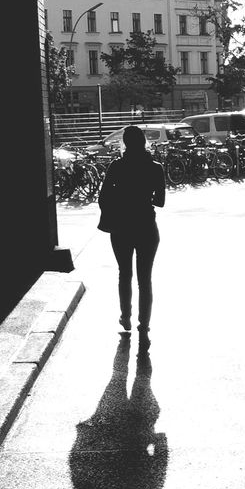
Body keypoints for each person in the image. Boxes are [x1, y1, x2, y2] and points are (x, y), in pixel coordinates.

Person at [97, 124, 165, 348]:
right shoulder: (155, 168)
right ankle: (143, 324)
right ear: (144, 141)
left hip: (121, 226)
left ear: (125, 143)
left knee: (124, 273)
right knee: (145, 279)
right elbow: (160, 202)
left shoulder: (117, 166)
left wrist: (119, 202)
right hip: (146, 225)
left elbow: (103, 196)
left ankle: (125, 316)